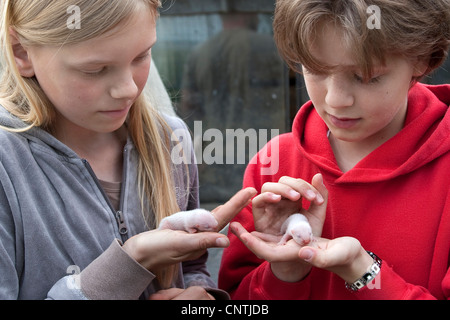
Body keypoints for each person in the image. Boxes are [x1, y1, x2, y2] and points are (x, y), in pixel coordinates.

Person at [0, 0, 256, 300]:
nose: (129, 89)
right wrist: (132, 261)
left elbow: (189, 269)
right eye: (95, 69)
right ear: (21, 52)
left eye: (141, 56)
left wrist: (198, 298)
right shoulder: (7, 164)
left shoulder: (170, 140)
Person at [218, 0, 450, 299]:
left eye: (366, 77)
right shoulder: (275, 162)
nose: (336, 100)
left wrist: (363, 271)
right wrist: (285, 272)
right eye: (316, 70)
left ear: (422, 60)